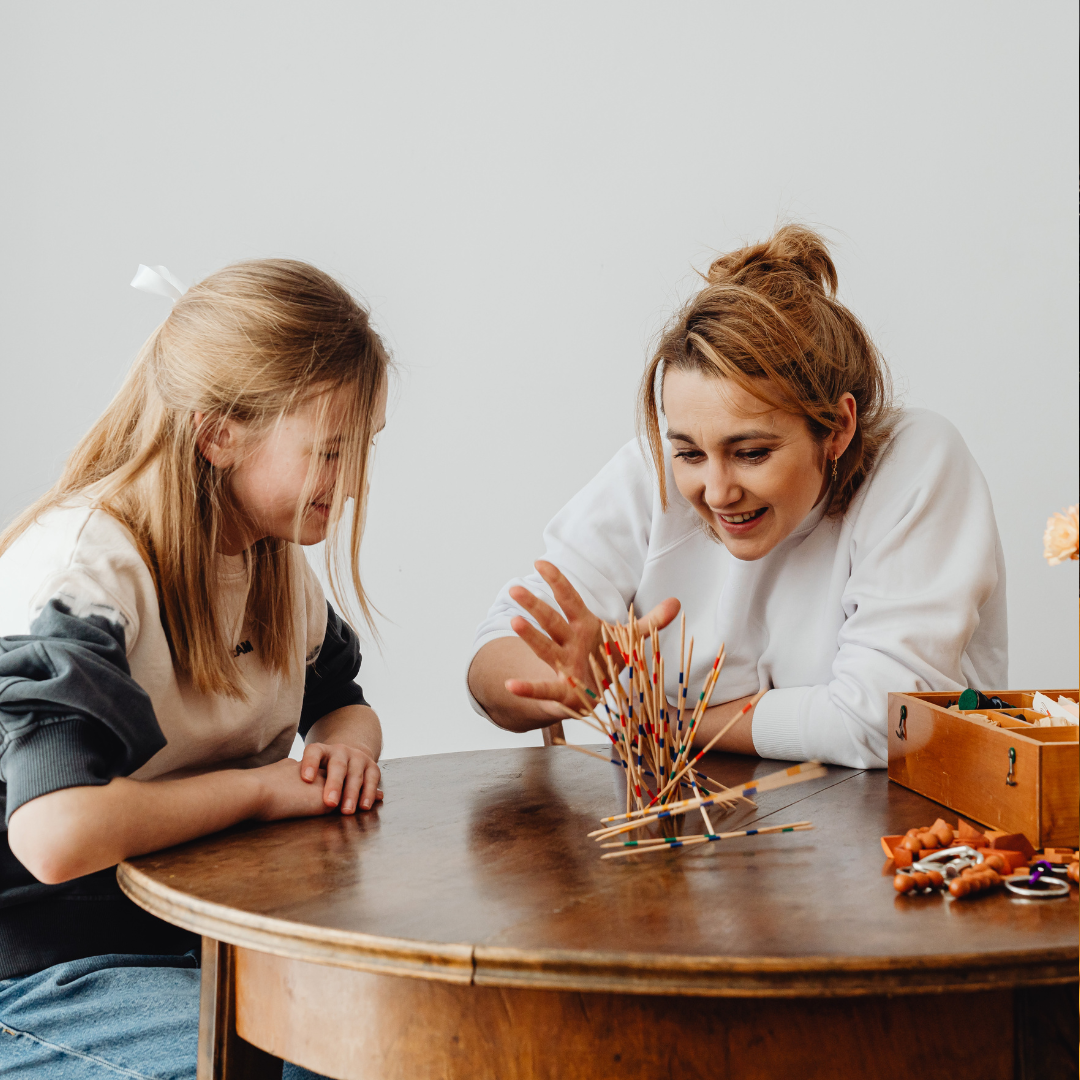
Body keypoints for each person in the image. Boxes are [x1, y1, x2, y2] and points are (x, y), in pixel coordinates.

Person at [0, 260, 389, 1078]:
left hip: (196, 941)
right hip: (42, 970)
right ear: (219, 435)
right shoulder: (86, 575)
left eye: (362, 450)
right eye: (330, 452)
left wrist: (346, 750)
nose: (350, 483)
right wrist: (261, 789)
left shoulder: (274, 567)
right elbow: (55, 833)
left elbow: (344, 704)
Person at [468, 225, 1007, 770]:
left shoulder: (917, 460)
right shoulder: (653, 469)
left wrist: (672, 726)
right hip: (684, 845)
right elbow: (491, 662)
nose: (718, 492)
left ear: (838, 428)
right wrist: (554, 683)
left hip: (899, 831)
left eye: (751, 452)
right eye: (690, 454)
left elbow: (884, 722)